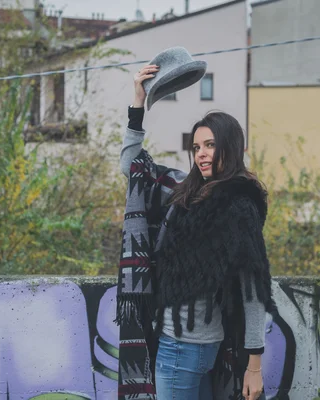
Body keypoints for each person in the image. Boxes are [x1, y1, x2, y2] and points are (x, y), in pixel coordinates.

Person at [116, 64, 276, 400]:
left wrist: (254, 366)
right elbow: (133, 167)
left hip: (185, 346)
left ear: (230, 148)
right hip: (185, 342)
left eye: (210, 146)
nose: (201, 154)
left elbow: (253, 287)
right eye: (197, 146)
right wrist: (137, 104)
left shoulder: (238, 206)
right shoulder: (187, 191)